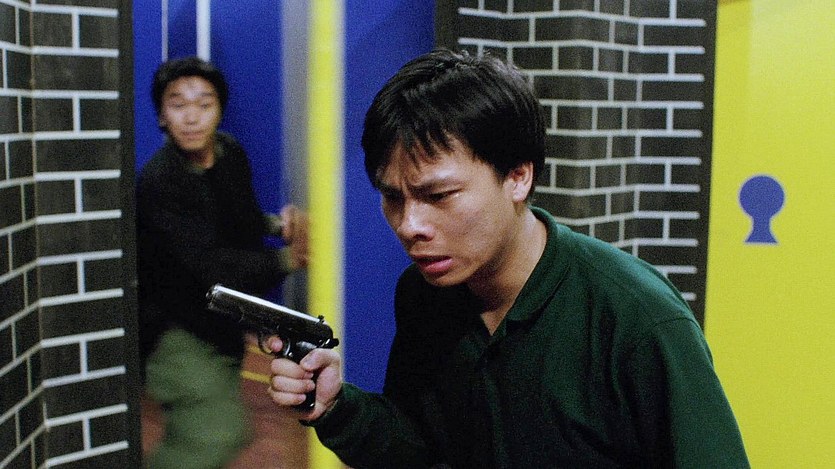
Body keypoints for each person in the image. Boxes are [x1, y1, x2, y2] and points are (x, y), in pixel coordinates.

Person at [266, 49, 749, 468]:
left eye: (439, 195)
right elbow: (418, 449)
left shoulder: (635, 316)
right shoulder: (423, 293)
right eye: (393, 197)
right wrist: (335, 407)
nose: (409, 225)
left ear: (518, 177)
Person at [136, 56, 308, 469]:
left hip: (219, 325)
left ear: (219, 109)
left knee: (204, 434)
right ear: (162, 116)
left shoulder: (229, 153)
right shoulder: (160, 181)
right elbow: (211, 267)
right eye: (178, 104)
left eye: (204, 103)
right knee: (216, 436)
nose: (192, 116)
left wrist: (279, 225)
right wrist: (290, 258)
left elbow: (239, 219)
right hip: (175, 333)